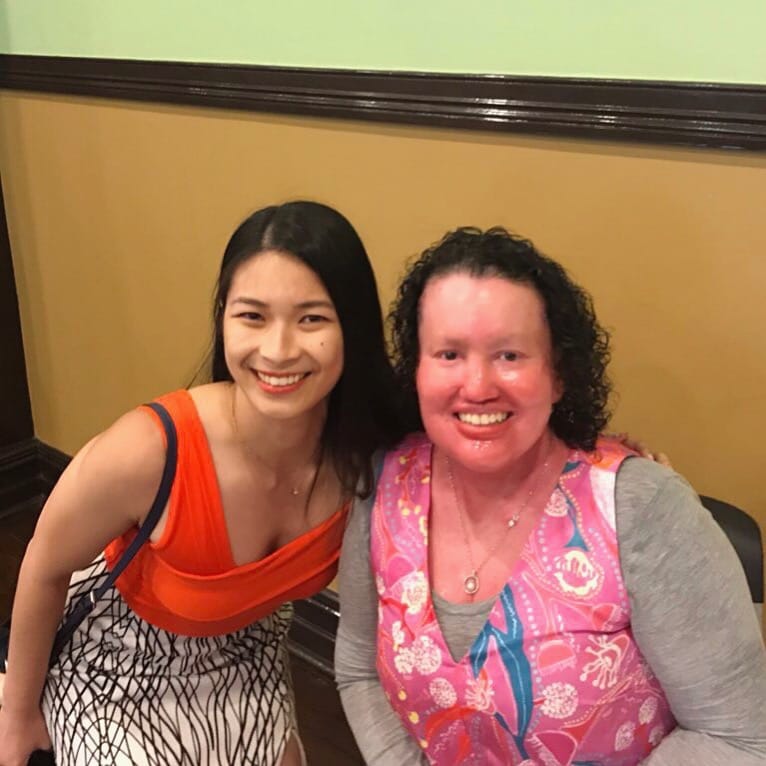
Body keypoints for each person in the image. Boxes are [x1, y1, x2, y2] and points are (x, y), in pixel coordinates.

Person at [335, 226, 766, 765]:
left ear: (559, 375)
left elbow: (738, 735)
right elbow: (358, 669)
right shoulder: (383, 485)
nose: (477, 385)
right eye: (448, 354)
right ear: (416, 371)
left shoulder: (640, 508)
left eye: (510, 355)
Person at [0, 201, 409, 766]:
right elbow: (45, 567)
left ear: (353, 329)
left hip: (251, 649)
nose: (279, 350)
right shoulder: (150, 449)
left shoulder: (374, 454)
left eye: (312, 318)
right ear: (223, 319)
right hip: (118, 657)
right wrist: (17, 717)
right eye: (252, 316)